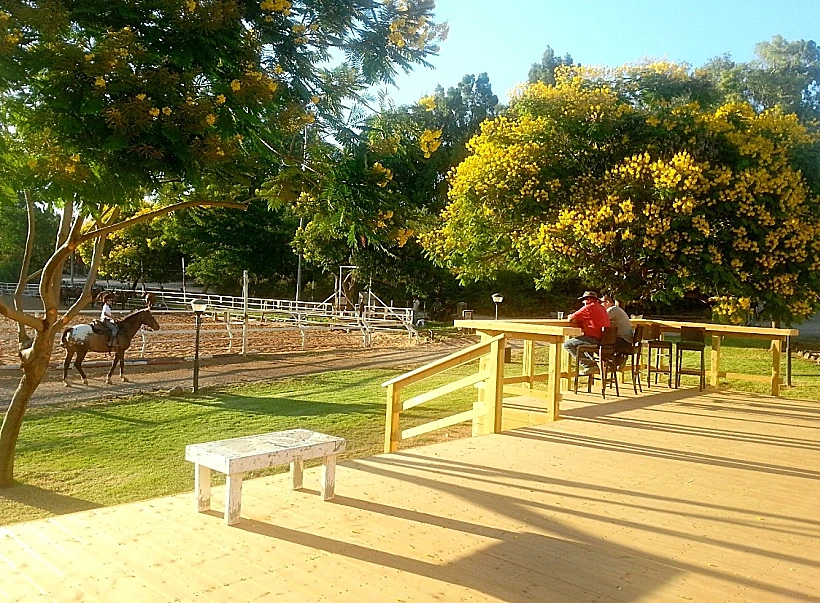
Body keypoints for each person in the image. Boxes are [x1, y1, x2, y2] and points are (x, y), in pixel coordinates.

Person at [563, 290, 610, 375]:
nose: (583, 302)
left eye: (584, 300)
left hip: (593, 340)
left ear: (588, 299)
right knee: (581, 345)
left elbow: (571, 319)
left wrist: (570, 316)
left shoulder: (588, 308)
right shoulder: (601, 308)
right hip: (604, 341)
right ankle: (592, 365)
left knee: (568, 344)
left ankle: (589, 365)